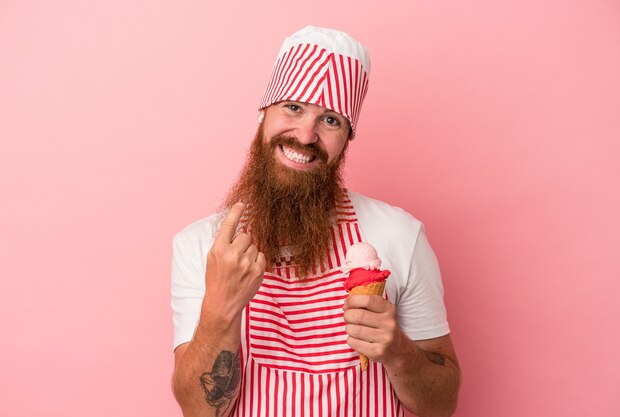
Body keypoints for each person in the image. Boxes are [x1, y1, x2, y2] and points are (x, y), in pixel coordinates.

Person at [170, 26, 461, 417]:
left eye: (330, 120)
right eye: (293, 108)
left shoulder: (400, 235)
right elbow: (200, 411)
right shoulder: (200, 245)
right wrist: (221, 308)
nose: (305, 135)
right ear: (263, 114)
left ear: (347, 139)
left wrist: (397, 353)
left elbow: (441, 406)